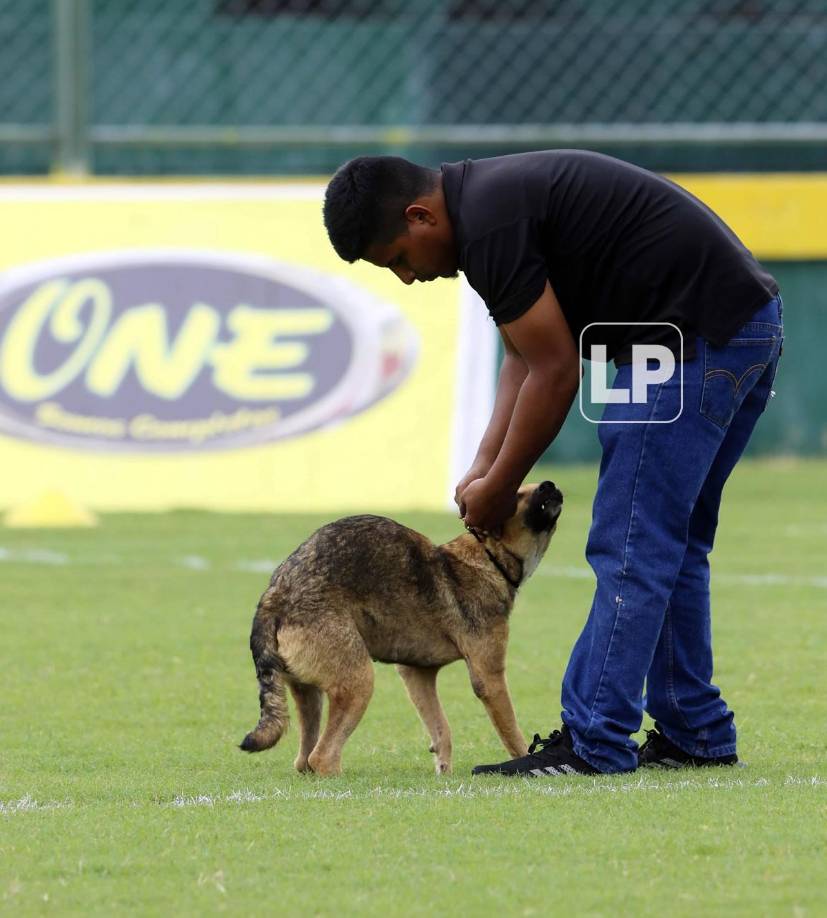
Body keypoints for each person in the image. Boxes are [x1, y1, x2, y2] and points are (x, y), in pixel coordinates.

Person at [322, 150, 783, 777]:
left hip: (690, 342)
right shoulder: (484, 208)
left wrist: (502, 487)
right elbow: (522, 355)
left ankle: (595, 741)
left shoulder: (489, 225)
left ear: (420, 215)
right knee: (671, 544)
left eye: (399, 258)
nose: (407, 277)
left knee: (630, 543)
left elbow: (557, 371)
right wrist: (483, 467)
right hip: (733, 326)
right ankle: (693, 731)